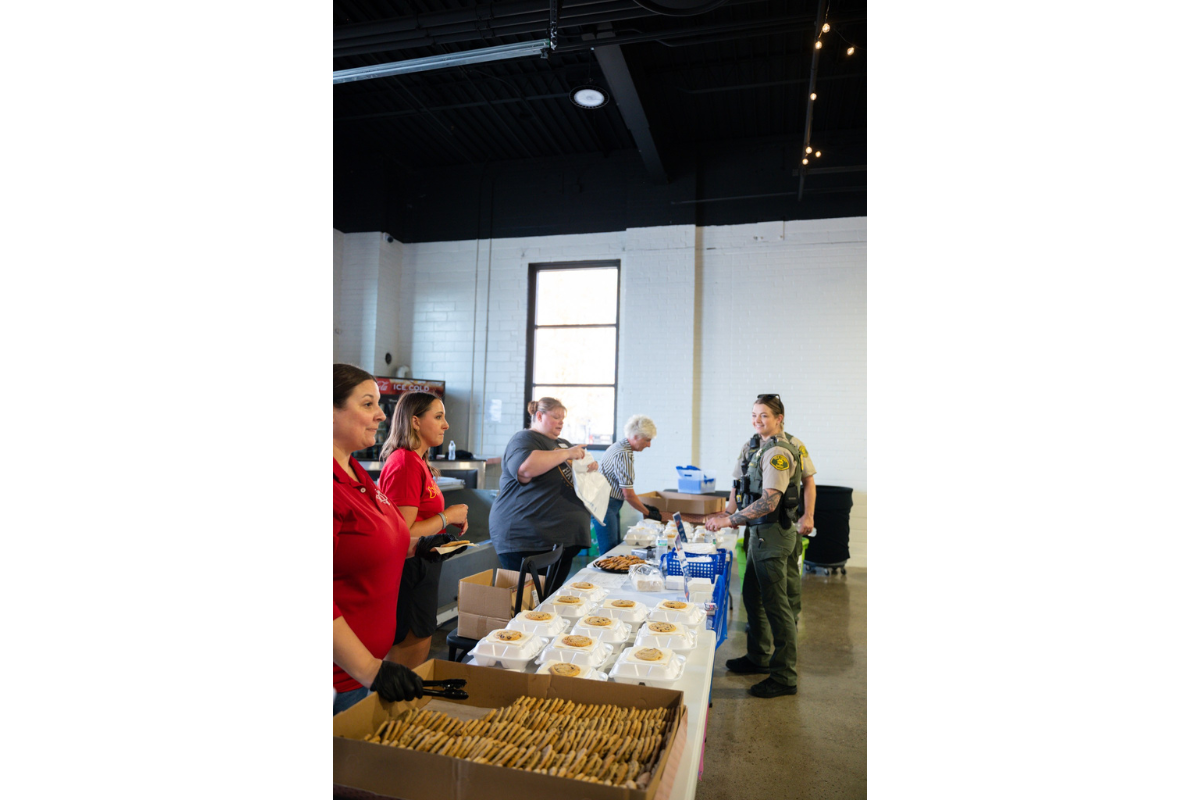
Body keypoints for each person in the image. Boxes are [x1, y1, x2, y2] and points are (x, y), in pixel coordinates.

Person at [332, 364, 456, 715]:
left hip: (363, 670)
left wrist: (418, 545)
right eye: (367, 404)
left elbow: (375, 540)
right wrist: (371, 669)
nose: (381, 415)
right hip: (343, 675)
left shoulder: (355, 472)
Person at [700, 394, 816, 699]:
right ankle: (758, 656)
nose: (757, 420)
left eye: (764, 415)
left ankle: (784, 676)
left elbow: (769, 502)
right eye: (754, 414)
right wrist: (727, 514)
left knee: (778, 607)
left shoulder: (778, 452)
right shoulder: (755, 447)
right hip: (757, 534)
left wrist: (729, 521)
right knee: (753, 597)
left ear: (779, 418)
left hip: (774, 535)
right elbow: (739, 487)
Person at [378, 392, 470, 668]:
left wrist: (445, 520)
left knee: (417, 655)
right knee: (406, 663)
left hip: (422, 569)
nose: (446, 425)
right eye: (438, 417)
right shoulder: (405, 463)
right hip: (408, 570)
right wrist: (447, 516)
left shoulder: (417, 461)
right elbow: (403, 532)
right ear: (415, 422)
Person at [488, 397, 599, 595]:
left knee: (547, 600)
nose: (561, 422)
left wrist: (588, 466)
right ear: (539, 416)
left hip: (562, 542)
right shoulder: (525, 439)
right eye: (556, 417)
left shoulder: (563, 444)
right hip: (527, 540)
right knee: (527, 603)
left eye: (563, 418)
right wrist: (567, 454)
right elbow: (525, 468)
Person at [593, 415, 662, 555]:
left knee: (614, 547)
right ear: (635, 436)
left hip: (609, 503)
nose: (649, 445)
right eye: (647, 440)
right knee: (609, 551)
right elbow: (628, 495)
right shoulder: (623, 454)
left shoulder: (620, 447)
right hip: (605, 504)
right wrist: (648, 513)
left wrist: (644, 508)